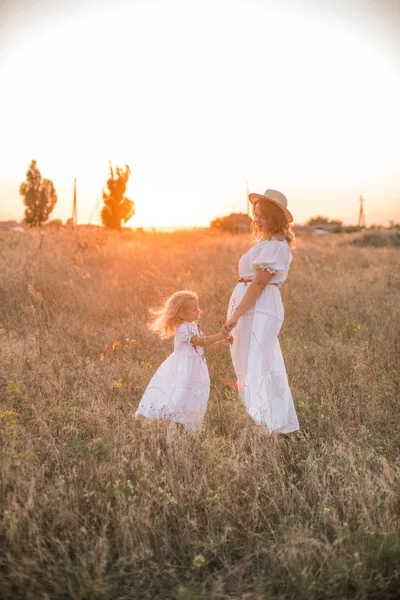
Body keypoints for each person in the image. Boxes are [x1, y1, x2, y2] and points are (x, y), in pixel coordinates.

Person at [223, 189, 302, 437]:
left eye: (263, 216)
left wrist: (234, 316)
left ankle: (281, 425)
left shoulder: (276, 247)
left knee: (262, 363)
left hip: (260, 307)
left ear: (276, 218)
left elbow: (258, 284)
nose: (257, 220)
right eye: (256, 215)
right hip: (251, 307)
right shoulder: (266, 244)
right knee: (250, 361)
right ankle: (265, 419)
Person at [135, 290, 233, 433]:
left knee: (192, 396)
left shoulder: (193, 326)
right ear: (182, 314)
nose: (198, 311)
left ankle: (185, 424)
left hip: (195, 368)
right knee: (180, 394)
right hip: (184, 368)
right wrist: (220, 334)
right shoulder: (183, 328)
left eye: (198, 308)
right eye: (194, 310)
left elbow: (202, 349)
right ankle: (174, 422)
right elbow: (200, 342)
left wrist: (222, 343)